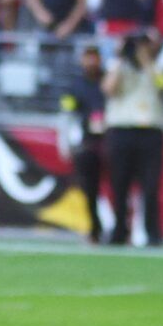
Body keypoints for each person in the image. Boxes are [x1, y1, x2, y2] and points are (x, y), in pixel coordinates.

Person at [102, 32, 163, 247]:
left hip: (151, 131)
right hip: (122, 129)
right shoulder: (118, 67)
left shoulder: (159, 66)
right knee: (119, 183)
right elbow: (108, 89)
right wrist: (120, 58)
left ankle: (152, 233)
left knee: (150, 185)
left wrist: (147, 61)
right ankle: (119, 230)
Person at [60, 45, 108, 244]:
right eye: (87, 57)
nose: (91, 62)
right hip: (87, 143)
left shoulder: (108, 81)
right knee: (90, 188)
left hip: (110, 139)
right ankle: (95, 228)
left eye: (94, 57)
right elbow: (67, 115)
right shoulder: (75, 85)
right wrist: (66, 142)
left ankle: (123, 228)